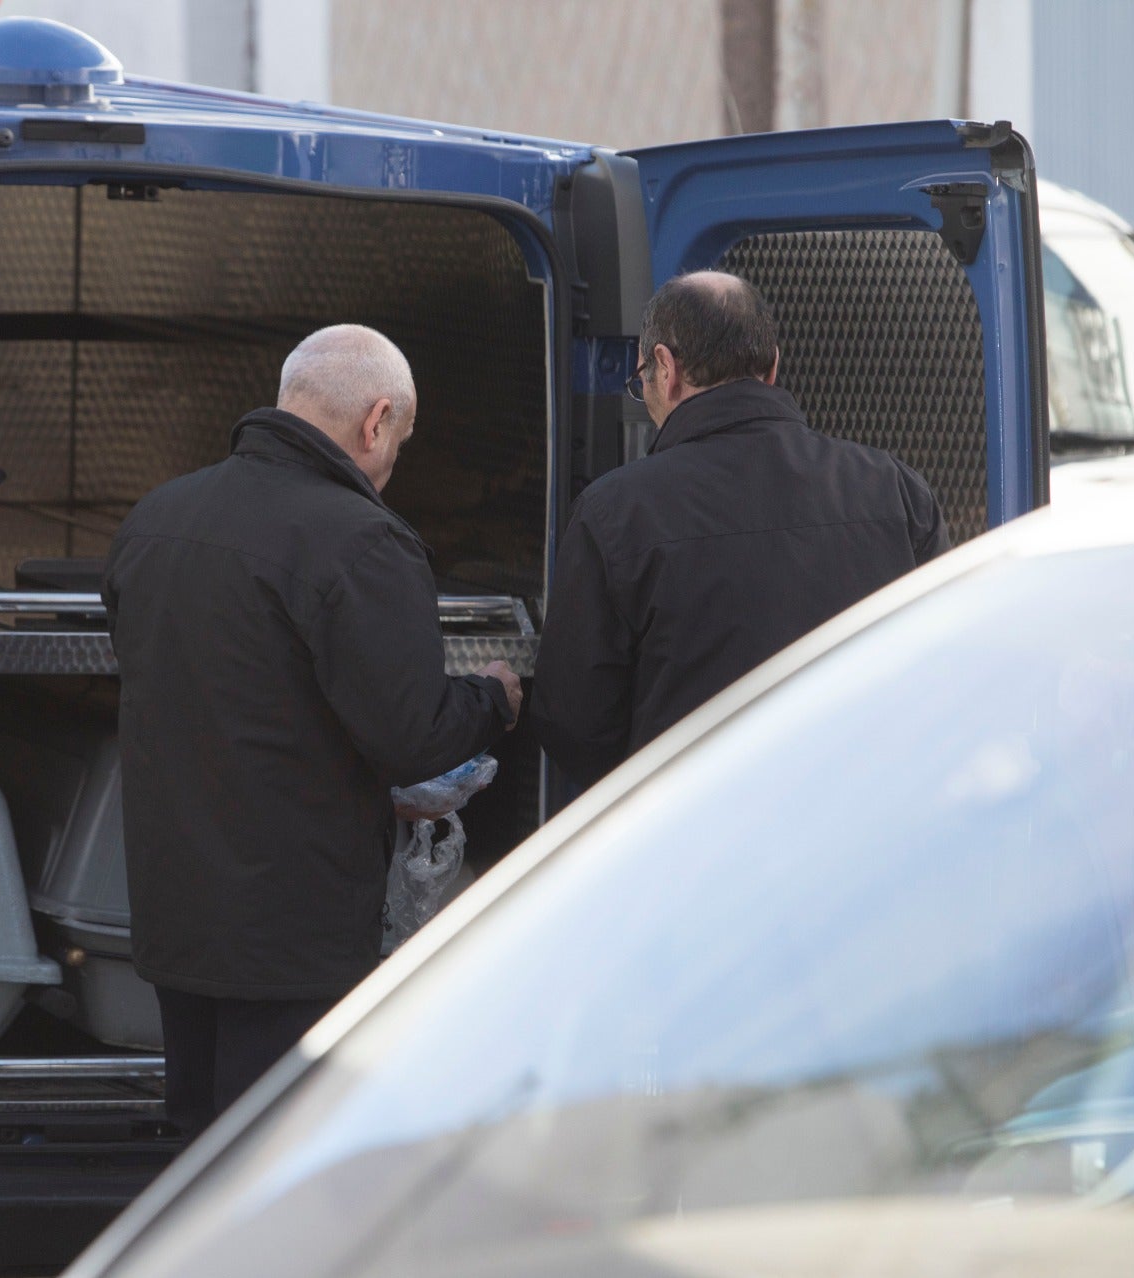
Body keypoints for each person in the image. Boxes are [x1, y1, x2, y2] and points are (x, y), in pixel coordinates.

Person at [101, 324, 523, 1137]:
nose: (394, 459)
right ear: (375, 422)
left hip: (176, 915)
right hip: (294, 933)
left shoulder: (156, 518)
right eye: (399, 438)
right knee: (277, 1161)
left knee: (197, 1156)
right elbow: (410, 735)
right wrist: (491, 699)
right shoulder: (362, 540)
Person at [531, 270, 949, 793]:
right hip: (866, 836)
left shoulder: (614, 513)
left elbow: (573, 725)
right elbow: (946, 674)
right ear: (773, 366)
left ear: (666, 368)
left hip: (694, 844)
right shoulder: (897, 490)